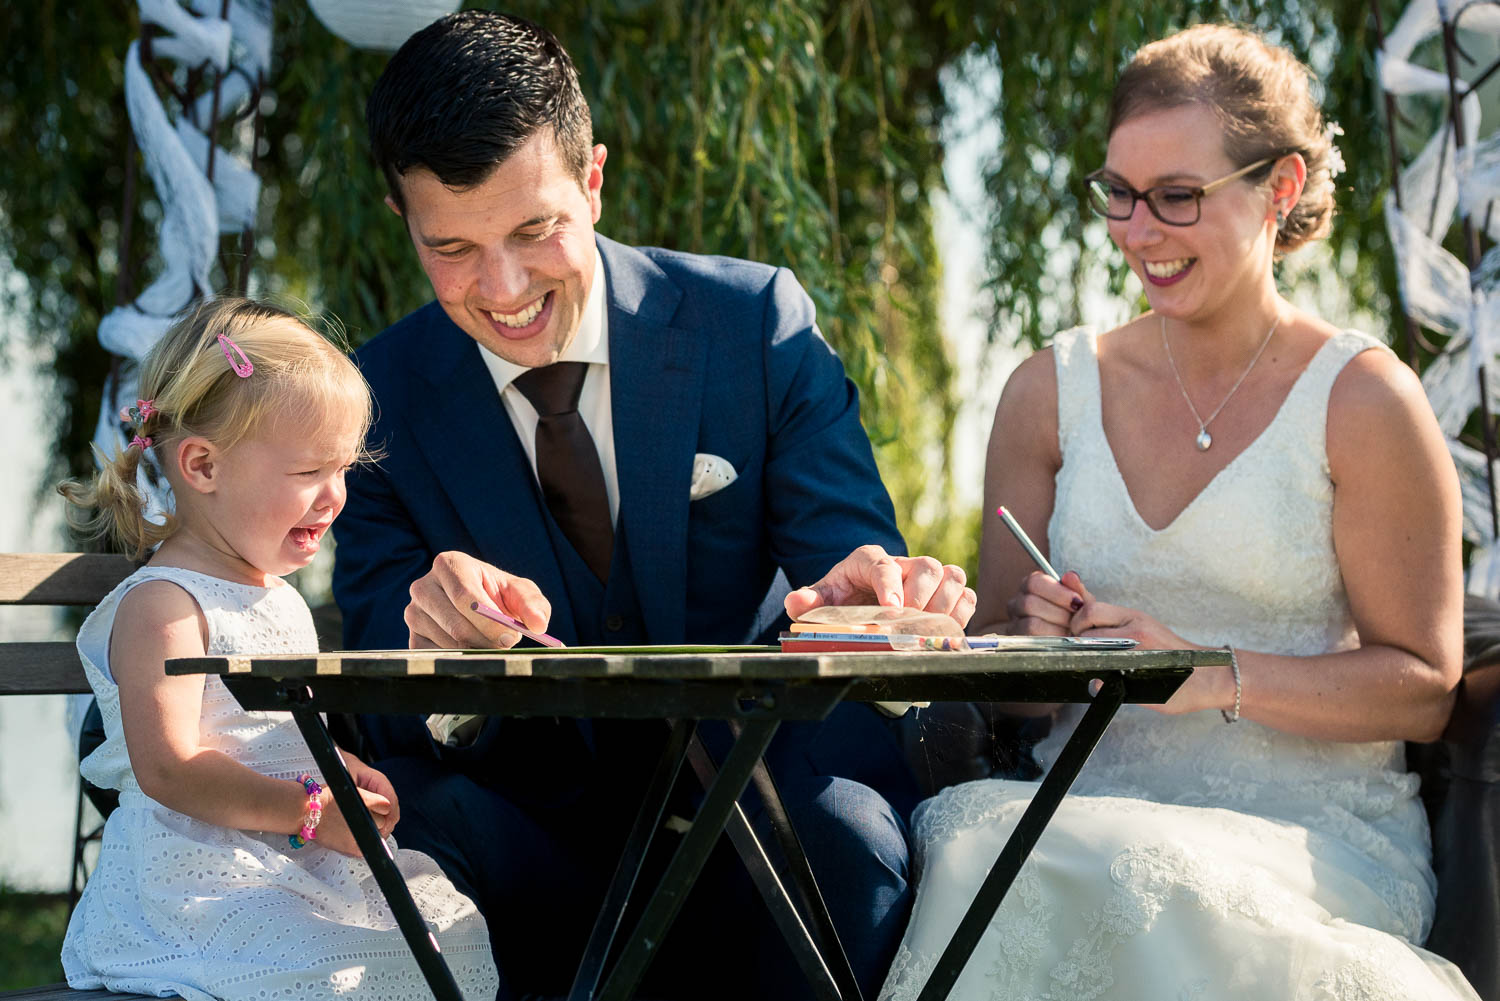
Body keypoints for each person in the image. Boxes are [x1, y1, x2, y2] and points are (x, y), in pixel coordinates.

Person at [329, 10, 973, 999]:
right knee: (417, 823)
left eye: (533, 229)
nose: (501, 289)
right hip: (530, 828)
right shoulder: (373, 395)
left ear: (592, 180)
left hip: (756, 805)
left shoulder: (754, 323)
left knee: (847, 831)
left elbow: (847, 551)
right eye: (452, 247)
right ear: (399, 217)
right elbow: (383, 665)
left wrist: (862, 591)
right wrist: (438, 646)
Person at [880, 23, 1479, 1001]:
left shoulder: (1364, 400)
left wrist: (1205, 674)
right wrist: (1035, 647)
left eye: (1176, 197)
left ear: (1279, 187)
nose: (1136, 230)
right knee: (983, 849)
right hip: (1071, 804)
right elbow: (1001, 671)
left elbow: (1422, 685)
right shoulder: (1047, 391)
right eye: (1118, 192)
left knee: (1109, 868)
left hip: (1315, 835)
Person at [56, 298, 498, 1000]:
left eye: (345, 468)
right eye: (308, 473)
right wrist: (311, 809)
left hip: (291, 852)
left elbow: (285, 737)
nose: (335, 496)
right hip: (202, 878)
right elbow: (170, 768)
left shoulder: (280, 598)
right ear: (203, 465)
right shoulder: (164, 606)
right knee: (321, 967)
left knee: (440, 939)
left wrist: (342, 770)